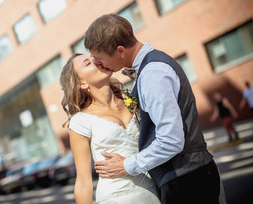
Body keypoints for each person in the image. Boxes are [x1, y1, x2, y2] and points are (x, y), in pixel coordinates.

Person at [84, 13, 224, 204]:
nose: (98, 64)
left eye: (99, 58)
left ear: (120, 51)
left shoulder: (152, 74)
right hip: (187, 178)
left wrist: (126, 165)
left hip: (187, 182)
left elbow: (171, 140)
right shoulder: (149, 69)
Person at [60, 53, 161, 203]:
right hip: (115, 197)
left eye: (93, 58)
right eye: (88, 63)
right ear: (82, 83)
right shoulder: (80, 121)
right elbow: (83, 183)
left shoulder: (131, 100)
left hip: (152, 191)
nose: (95, 61)